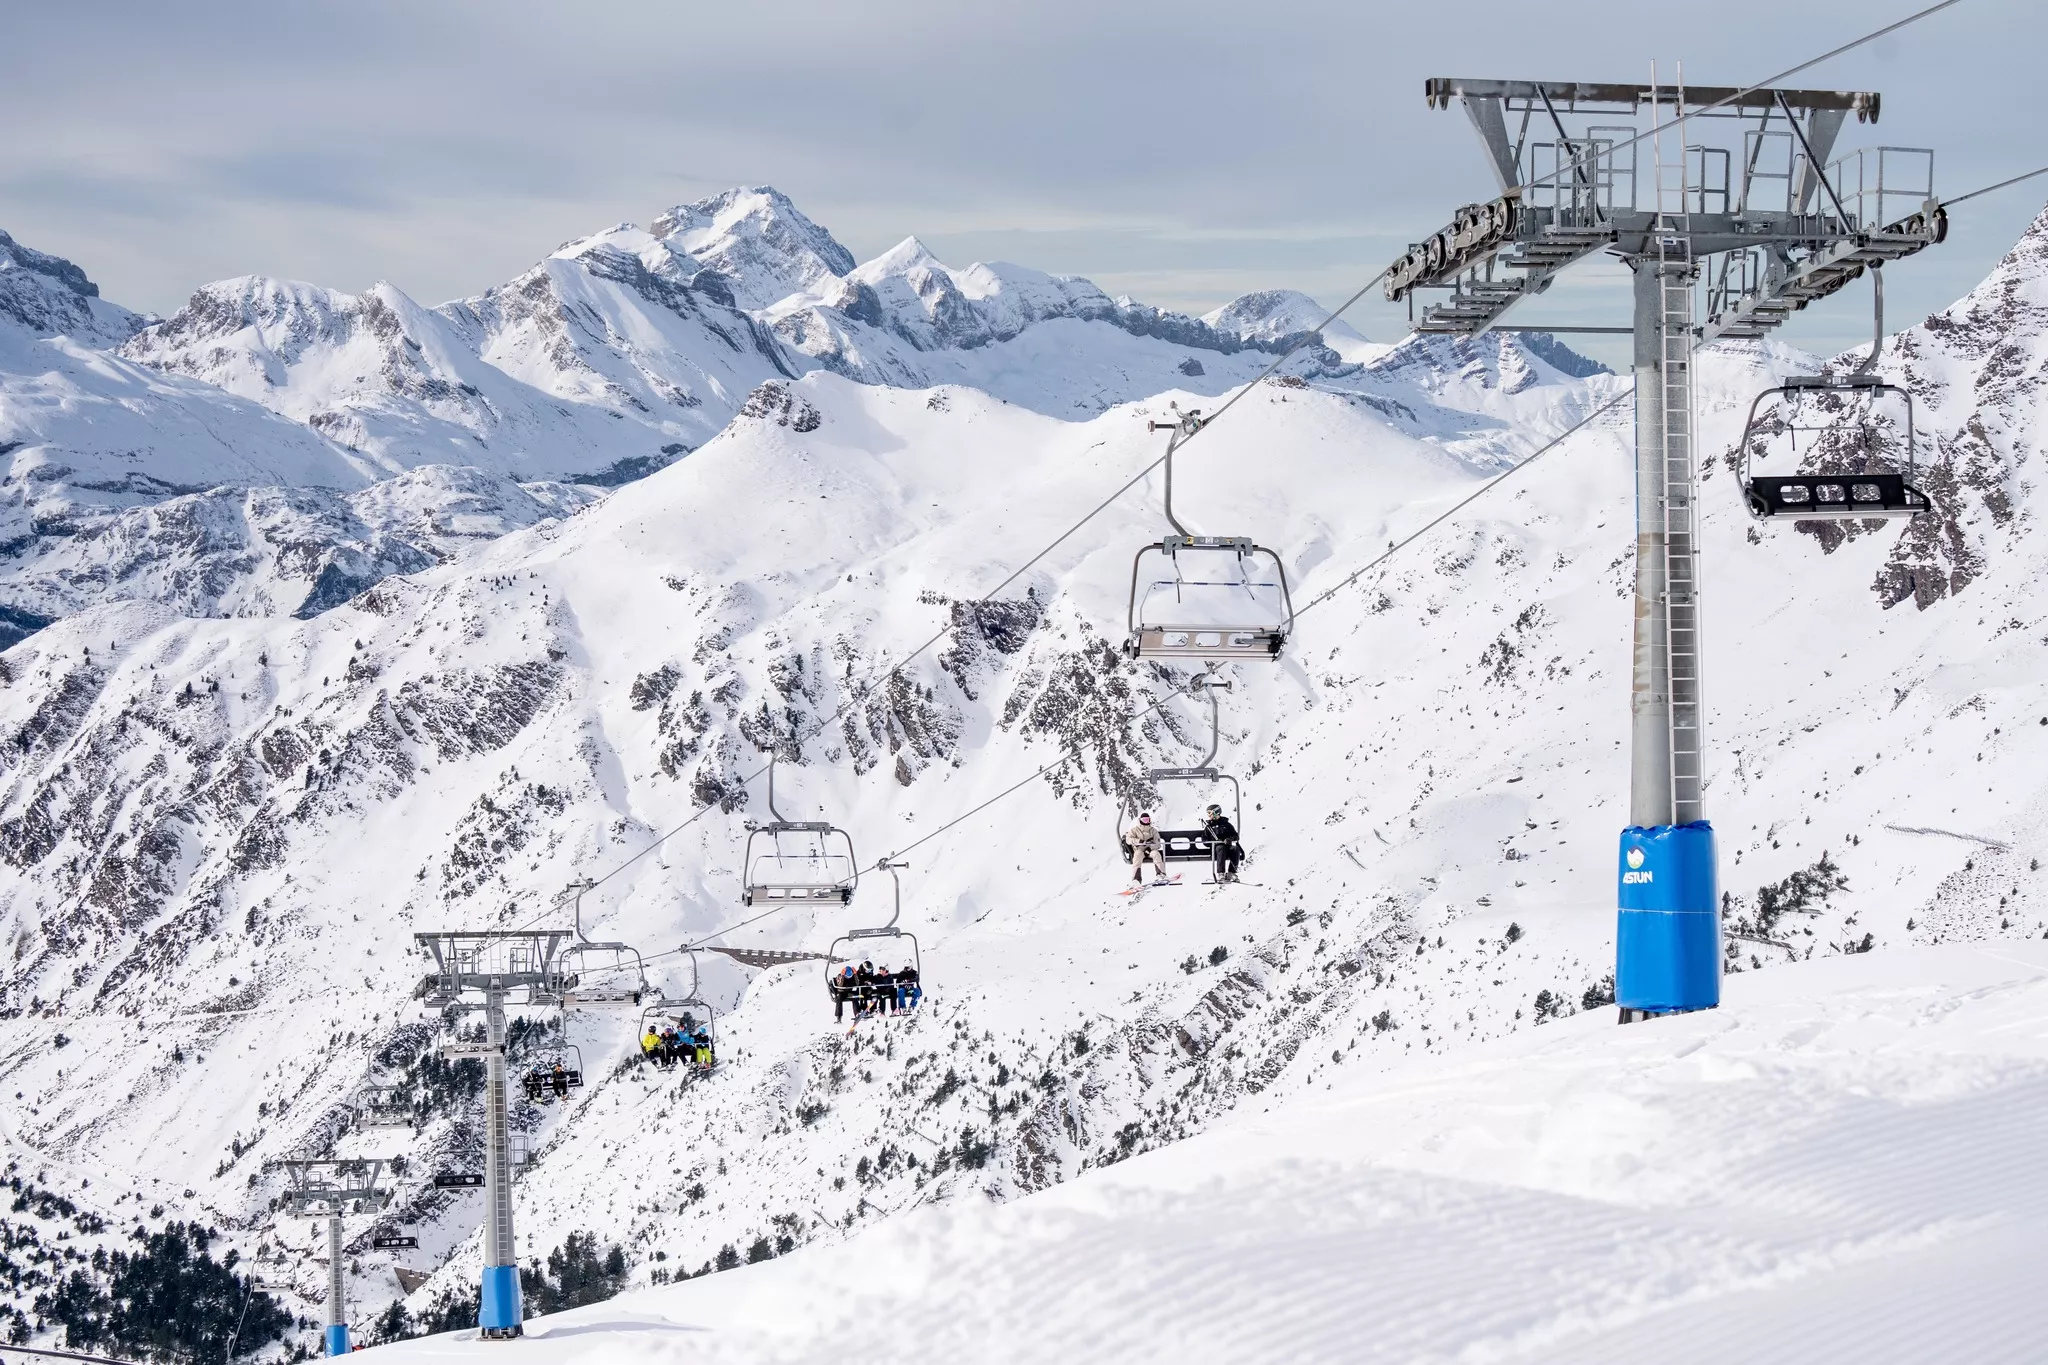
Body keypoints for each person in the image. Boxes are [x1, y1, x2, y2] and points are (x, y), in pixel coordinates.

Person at [1126, 812, 1171, 885]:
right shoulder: (1135, 830)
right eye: (1144, 820)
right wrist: (1138, 841)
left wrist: (1150, 849)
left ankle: (1161, 874)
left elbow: (1158, 843)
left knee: (1156, 854)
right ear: (1140, 820)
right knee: (1137, 855)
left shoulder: (1153, 831)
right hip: (1139, 850)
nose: (1146, 822)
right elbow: (1128, 839)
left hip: (1151, 850)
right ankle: (1136, 879)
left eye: (1147, 820)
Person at [1202, 803, 1243, 883]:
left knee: (1235, 849)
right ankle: (1221, 873)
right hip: (1216, 849)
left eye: (1210, 812)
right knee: (1221, 847)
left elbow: (1236, 836)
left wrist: (1230, 839)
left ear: (1216, 812)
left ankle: (1231, 872)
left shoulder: (1226, 825)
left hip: (1227, 847)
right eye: (1208, 813)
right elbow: (1204, 840)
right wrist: (1213, 842)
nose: (1208, 815)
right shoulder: (1209, 826)